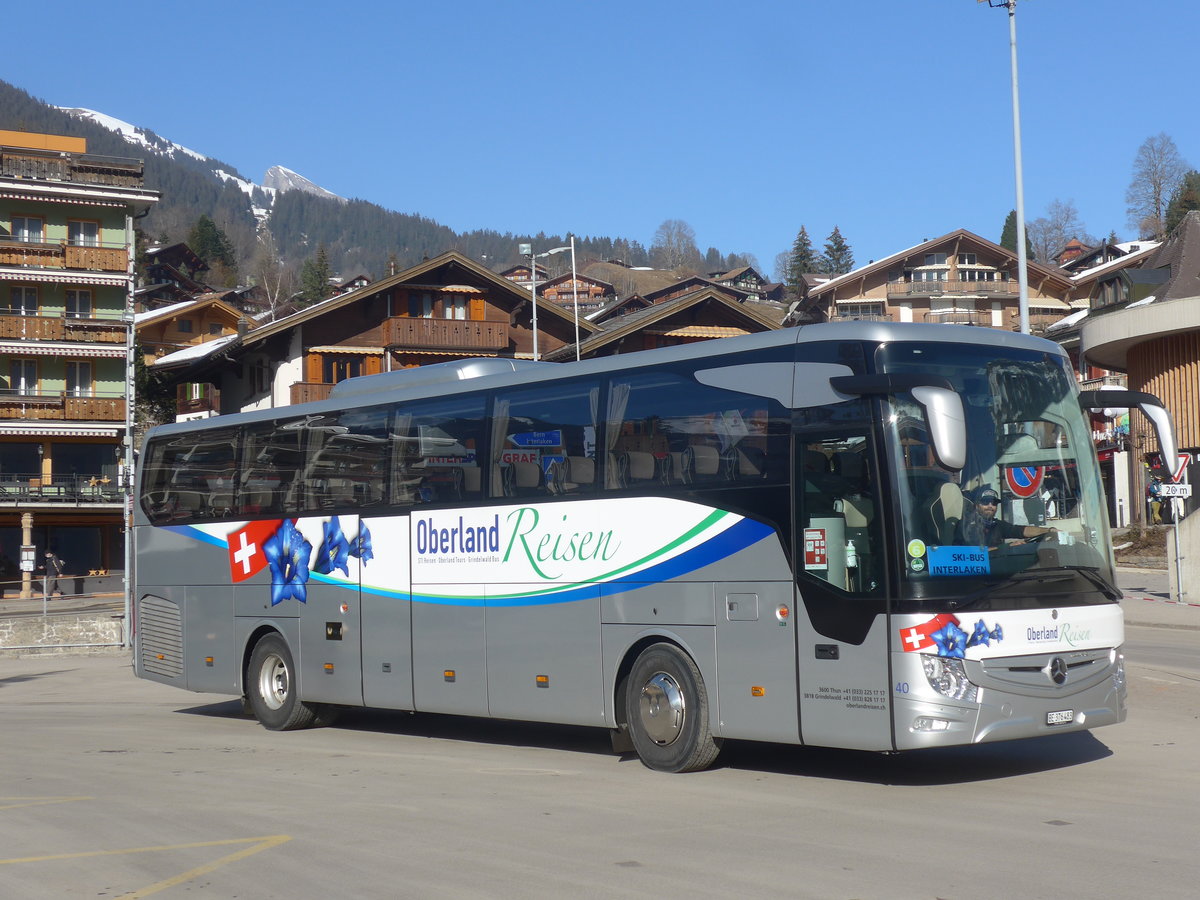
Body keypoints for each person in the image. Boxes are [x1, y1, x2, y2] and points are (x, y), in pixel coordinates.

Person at [958, 487, 1055, 548]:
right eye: (985, 502)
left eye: (994, 502)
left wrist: (1048, 531)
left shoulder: (995, 524)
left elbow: (1020, 530)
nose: (990, 506)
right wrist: (1007, 547)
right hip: (975, 577)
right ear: (976, 505)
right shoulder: (967, 525)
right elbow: (975, 554)